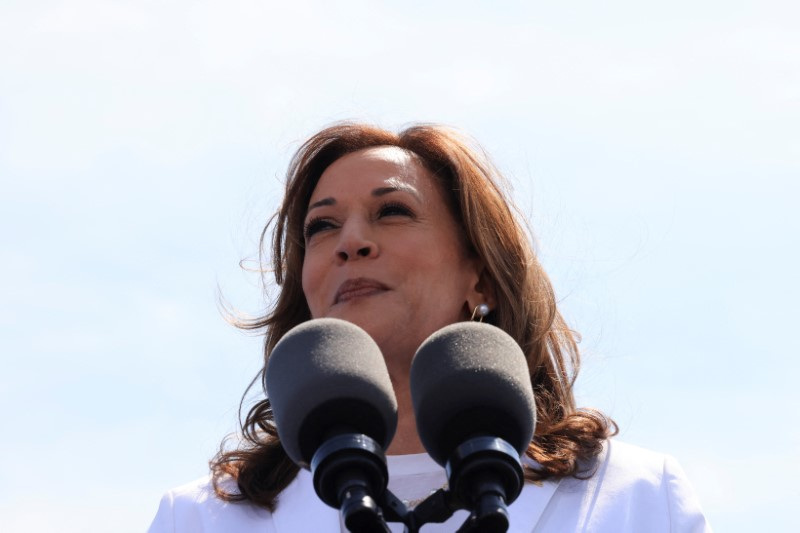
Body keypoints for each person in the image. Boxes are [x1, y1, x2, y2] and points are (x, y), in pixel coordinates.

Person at [148, 123, 712, 532]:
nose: (350, 242)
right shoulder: (201, 518)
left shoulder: (638, 497)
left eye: (392, 212)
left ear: (482, 278)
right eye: (322, 226)